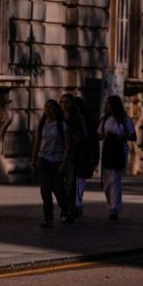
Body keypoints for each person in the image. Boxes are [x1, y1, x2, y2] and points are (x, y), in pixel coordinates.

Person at [31, 99, 71, 228]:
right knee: (45, 190)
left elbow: (67, 146)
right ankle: (48, 218)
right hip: (43, 160)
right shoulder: (42, 124)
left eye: (52, 107)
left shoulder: (62, 125)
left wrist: (63, 163)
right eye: (46, 107)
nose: (48, 109)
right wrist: (33, 161)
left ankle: (66, 210)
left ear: (57, 110)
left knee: (59, 190)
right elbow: (37, 143)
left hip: (57, 160)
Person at [98, 95, 136, 220]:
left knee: (115, 180)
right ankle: (111, 205)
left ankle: (115, 207)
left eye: (109, 104)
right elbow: (99, 135)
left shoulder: (125, 120)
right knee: (107, 182)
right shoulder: (105, 120)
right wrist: (104, 135)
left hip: (119, 150)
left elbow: (133, 136)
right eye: (106, 104)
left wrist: (122, 137)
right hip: (108, 150)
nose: (107, 106)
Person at [59, 94, 86, 223]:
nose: (64, 105)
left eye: (67, 102)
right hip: (56, 153)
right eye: (62, 102)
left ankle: (69, 210)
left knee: (70, 185)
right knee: (58, 185)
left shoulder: (78, 118)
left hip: (72, 154)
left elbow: (84, 135)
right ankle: (66, 207)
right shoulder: (58, 117)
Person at [72, 96, 98, 217]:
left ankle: (77, 203)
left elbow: (92, 138)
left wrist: (95, 156)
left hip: (83, 151)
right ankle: (75, 203)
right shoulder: (65, 119)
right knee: (74, 180)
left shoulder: (87, 119)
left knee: (79, 179)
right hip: (72, 151)